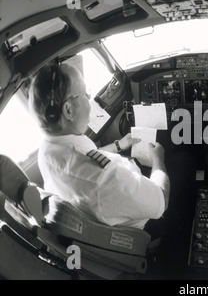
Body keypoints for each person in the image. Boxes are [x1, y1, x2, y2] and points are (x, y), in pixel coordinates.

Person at [28, 62, 170, 232]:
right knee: (184, 160)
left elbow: (89, 157)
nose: (90, 99)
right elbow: (162, 198)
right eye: (86, 94)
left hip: (114, 201)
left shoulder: (49, 149)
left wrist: (119, 145)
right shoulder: (106, 178)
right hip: (141, 225)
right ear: (68, 110)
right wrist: (158, 159)